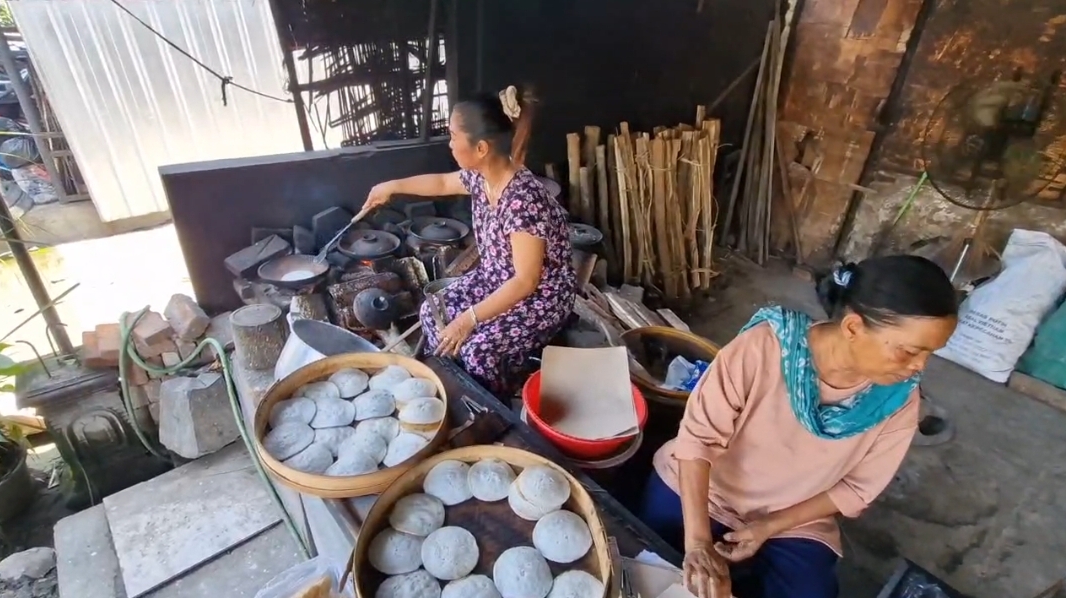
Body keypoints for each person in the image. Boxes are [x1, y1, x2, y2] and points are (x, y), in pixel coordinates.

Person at [639, 255, 959, 598]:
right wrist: (699, 543)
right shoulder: (765, 347)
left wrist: (769, 526)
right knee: (650, 561)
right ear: (853, 328)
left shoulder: (898, 402)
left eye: (930, 354)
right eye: (909, 351)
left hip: (792, 517)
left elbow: (857, 489)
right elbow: (698, 439)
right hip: (707, 488)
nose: (919, 366)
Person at [361, 86, 576, 393]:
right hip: (496, 280)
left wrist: (468, 320)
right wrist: (390, 186)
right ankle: (455, 379)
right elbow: (440, 182)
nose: (449, 144)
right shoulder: (481, 177)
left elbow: (526, 281)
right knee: (432, 311)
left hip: (541, 296)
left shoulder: (523, 201)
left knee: (479, 350)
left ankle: (493, 404)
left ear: (481, 148)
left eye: (453, 136)